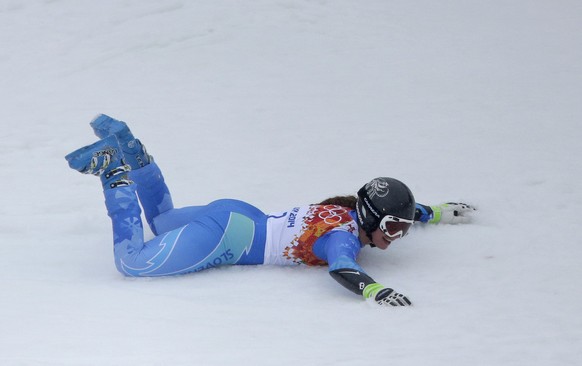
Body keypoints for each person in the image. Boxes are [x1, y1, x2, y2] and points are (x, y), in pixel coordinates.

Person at [65, 114, 476, 307]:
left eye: (402, 228)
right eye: (392, 227)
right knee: (133, 264)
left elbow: (403, 210)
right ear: (369, 218)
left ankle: (130, 150)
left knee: (157, 223)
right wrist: (375, 290)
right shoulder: (342, 237)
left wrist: (434, 212)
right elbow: (342, 268)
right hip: (228, 238)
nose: (397, 236)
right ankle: (114, 173)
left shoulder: (345, 209)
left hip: (237, 214)